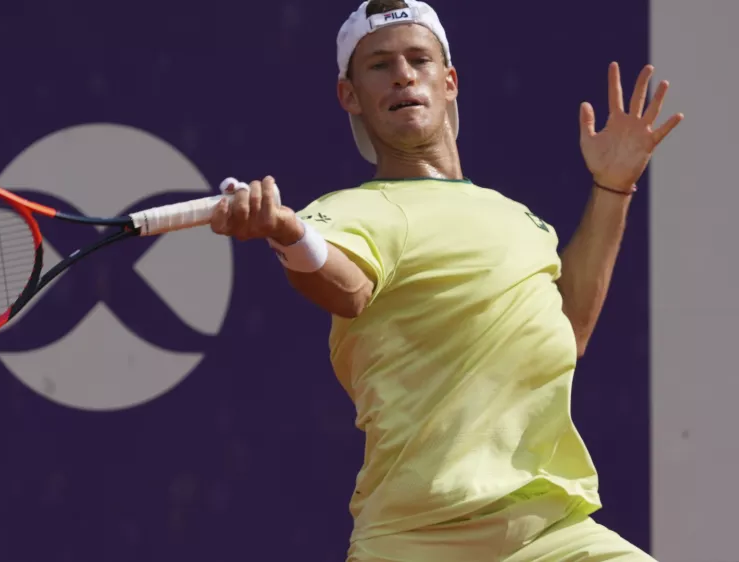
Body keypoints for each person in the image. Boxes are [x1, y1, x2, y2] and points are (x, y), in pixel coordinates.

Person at [209, 0, 683, 560]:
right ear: (350, 96)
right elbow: (344, 286)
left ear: (449, 80)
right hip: (416, 542)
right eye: (380, 64)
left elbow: (570, 331)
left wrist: (613, 187)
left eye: (419, 59)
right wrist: (287, 233)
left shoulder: (519, 219)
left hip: (551, 535)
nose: (404, 74)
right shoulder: (345, 214)